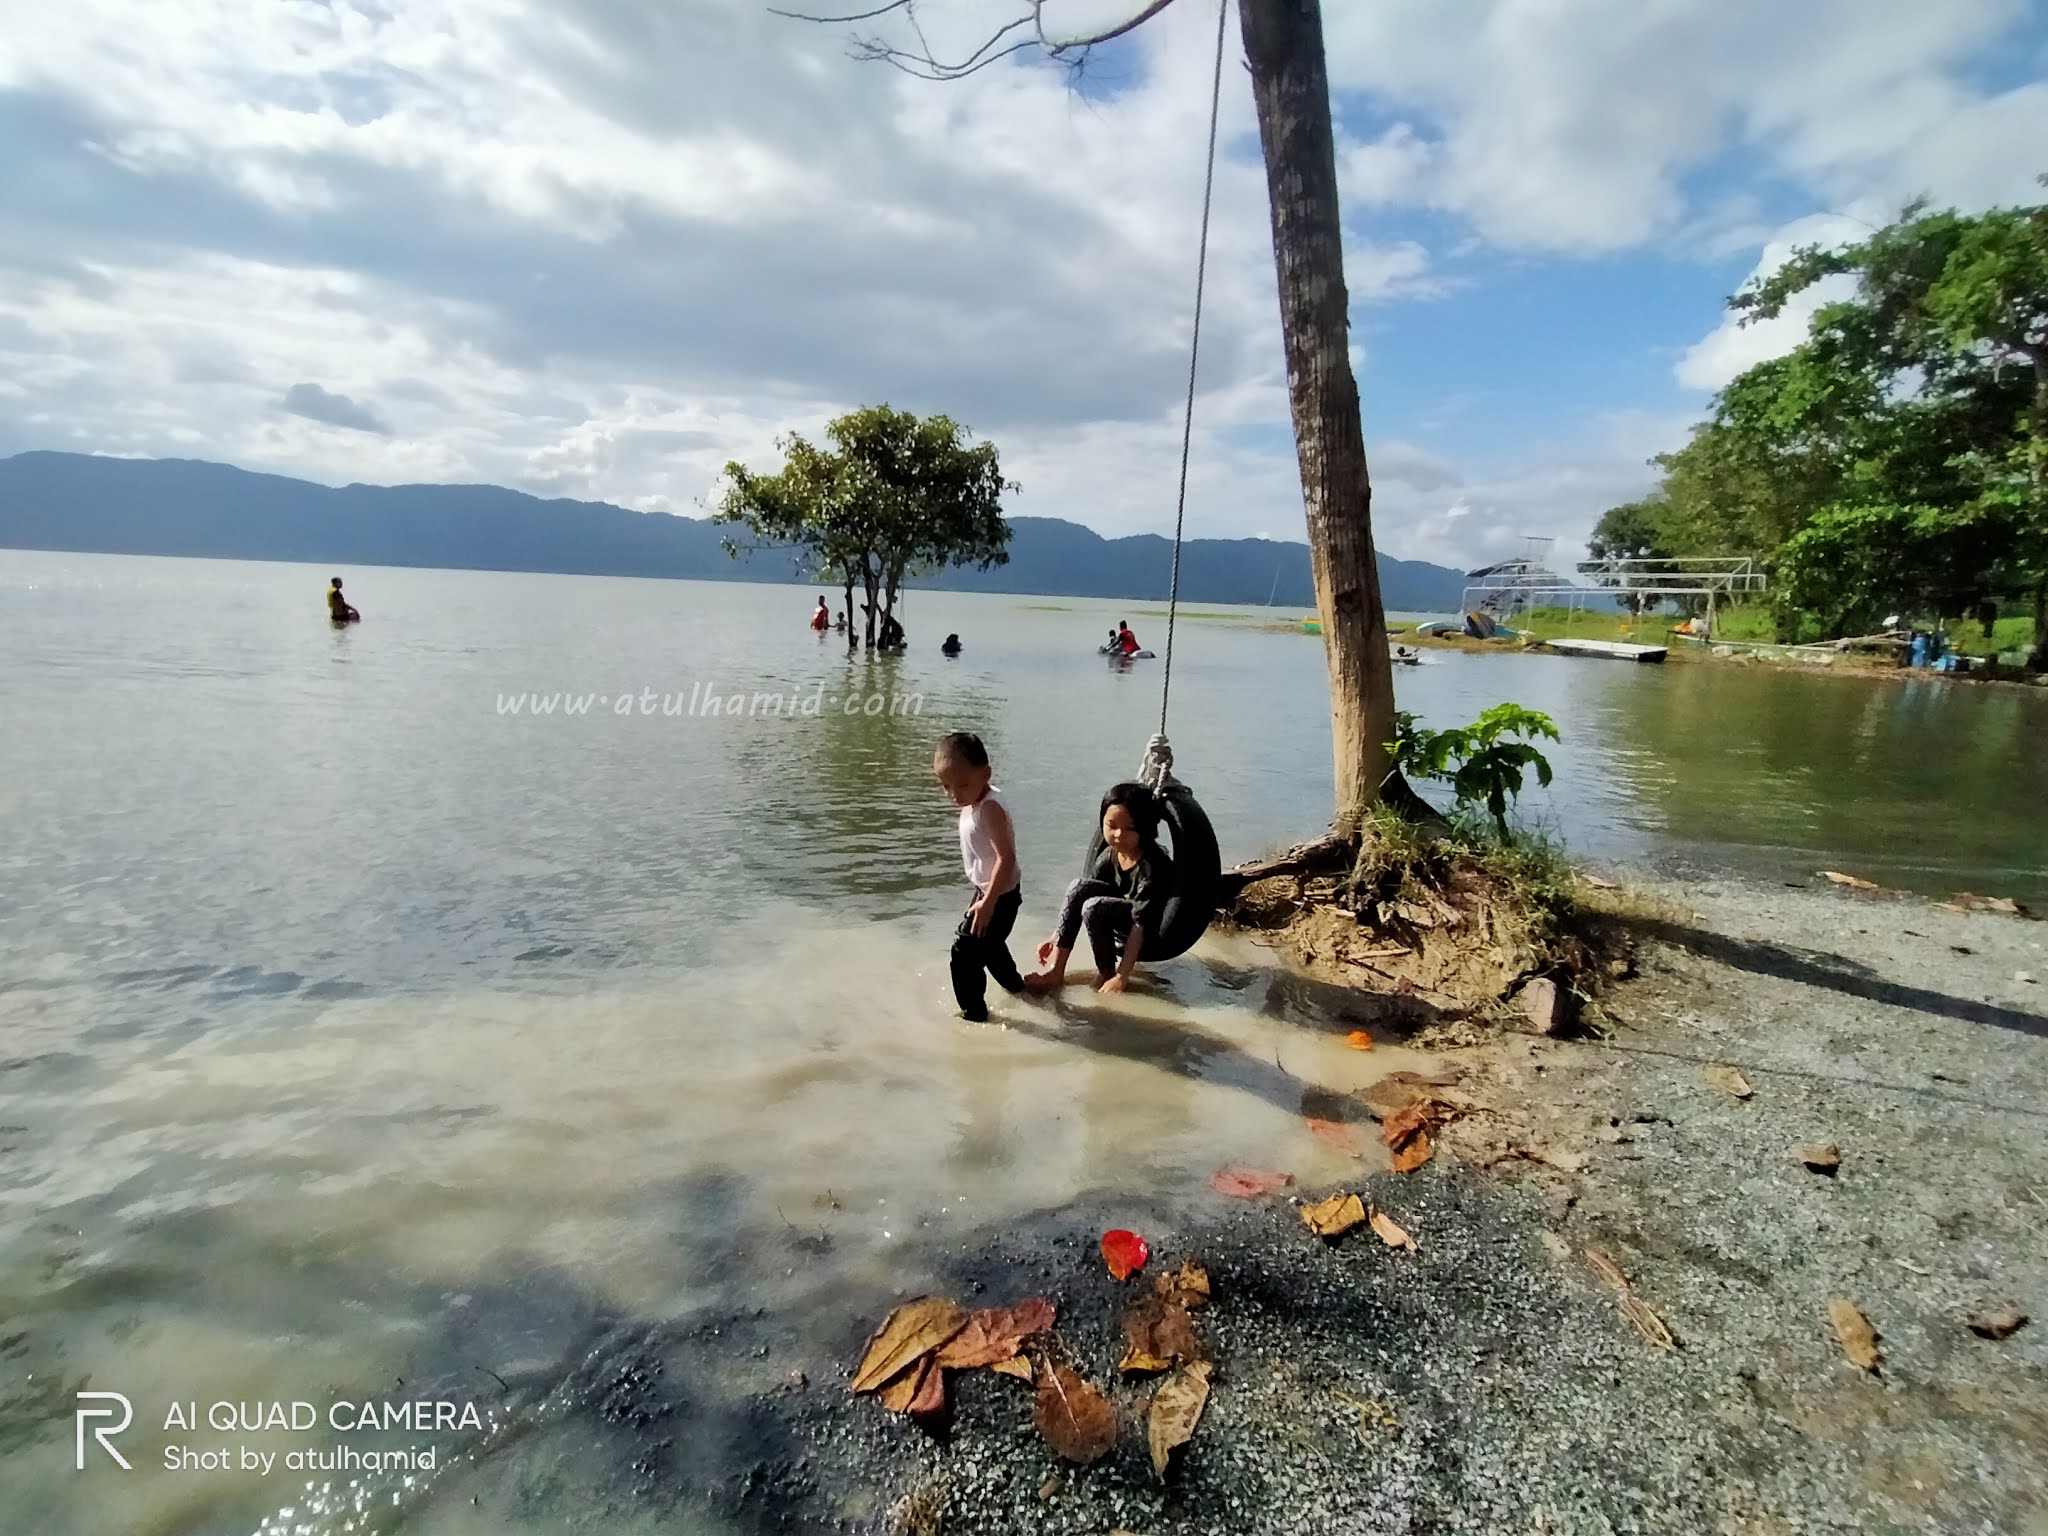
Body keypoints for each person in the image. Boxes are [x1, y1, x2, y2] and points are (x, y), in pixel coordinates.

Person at [1026, 781, 1176, 996]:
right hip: (1124, 913)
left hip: (1150, 925)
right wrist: (1054, 938)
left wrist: (1122, 976)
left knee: (1094, 907)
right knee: (1078, 887)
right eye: (1112, 826)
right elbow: (1080, 898)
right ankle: (1056, 972)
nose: (1118, 835)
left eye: (1130, 828)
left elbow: (1140, 924)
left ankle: (1107, 974)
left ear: (1146, 828)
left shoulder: (1152, 865)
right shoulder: (1110, 855)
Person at [933, 732, 1025, 1022]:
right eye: (946, 785)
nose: (954, 794)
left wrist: (988, 903)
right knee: (991, 947)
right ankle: (1020, 990)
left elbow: (1006, 858)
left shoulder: (989, 808)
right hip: (988, 891)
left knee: (964, 952)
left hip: (998, 896)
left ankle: (974, 1014)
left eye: (962, 784)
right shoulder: (976, 800)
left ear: (985, 774)